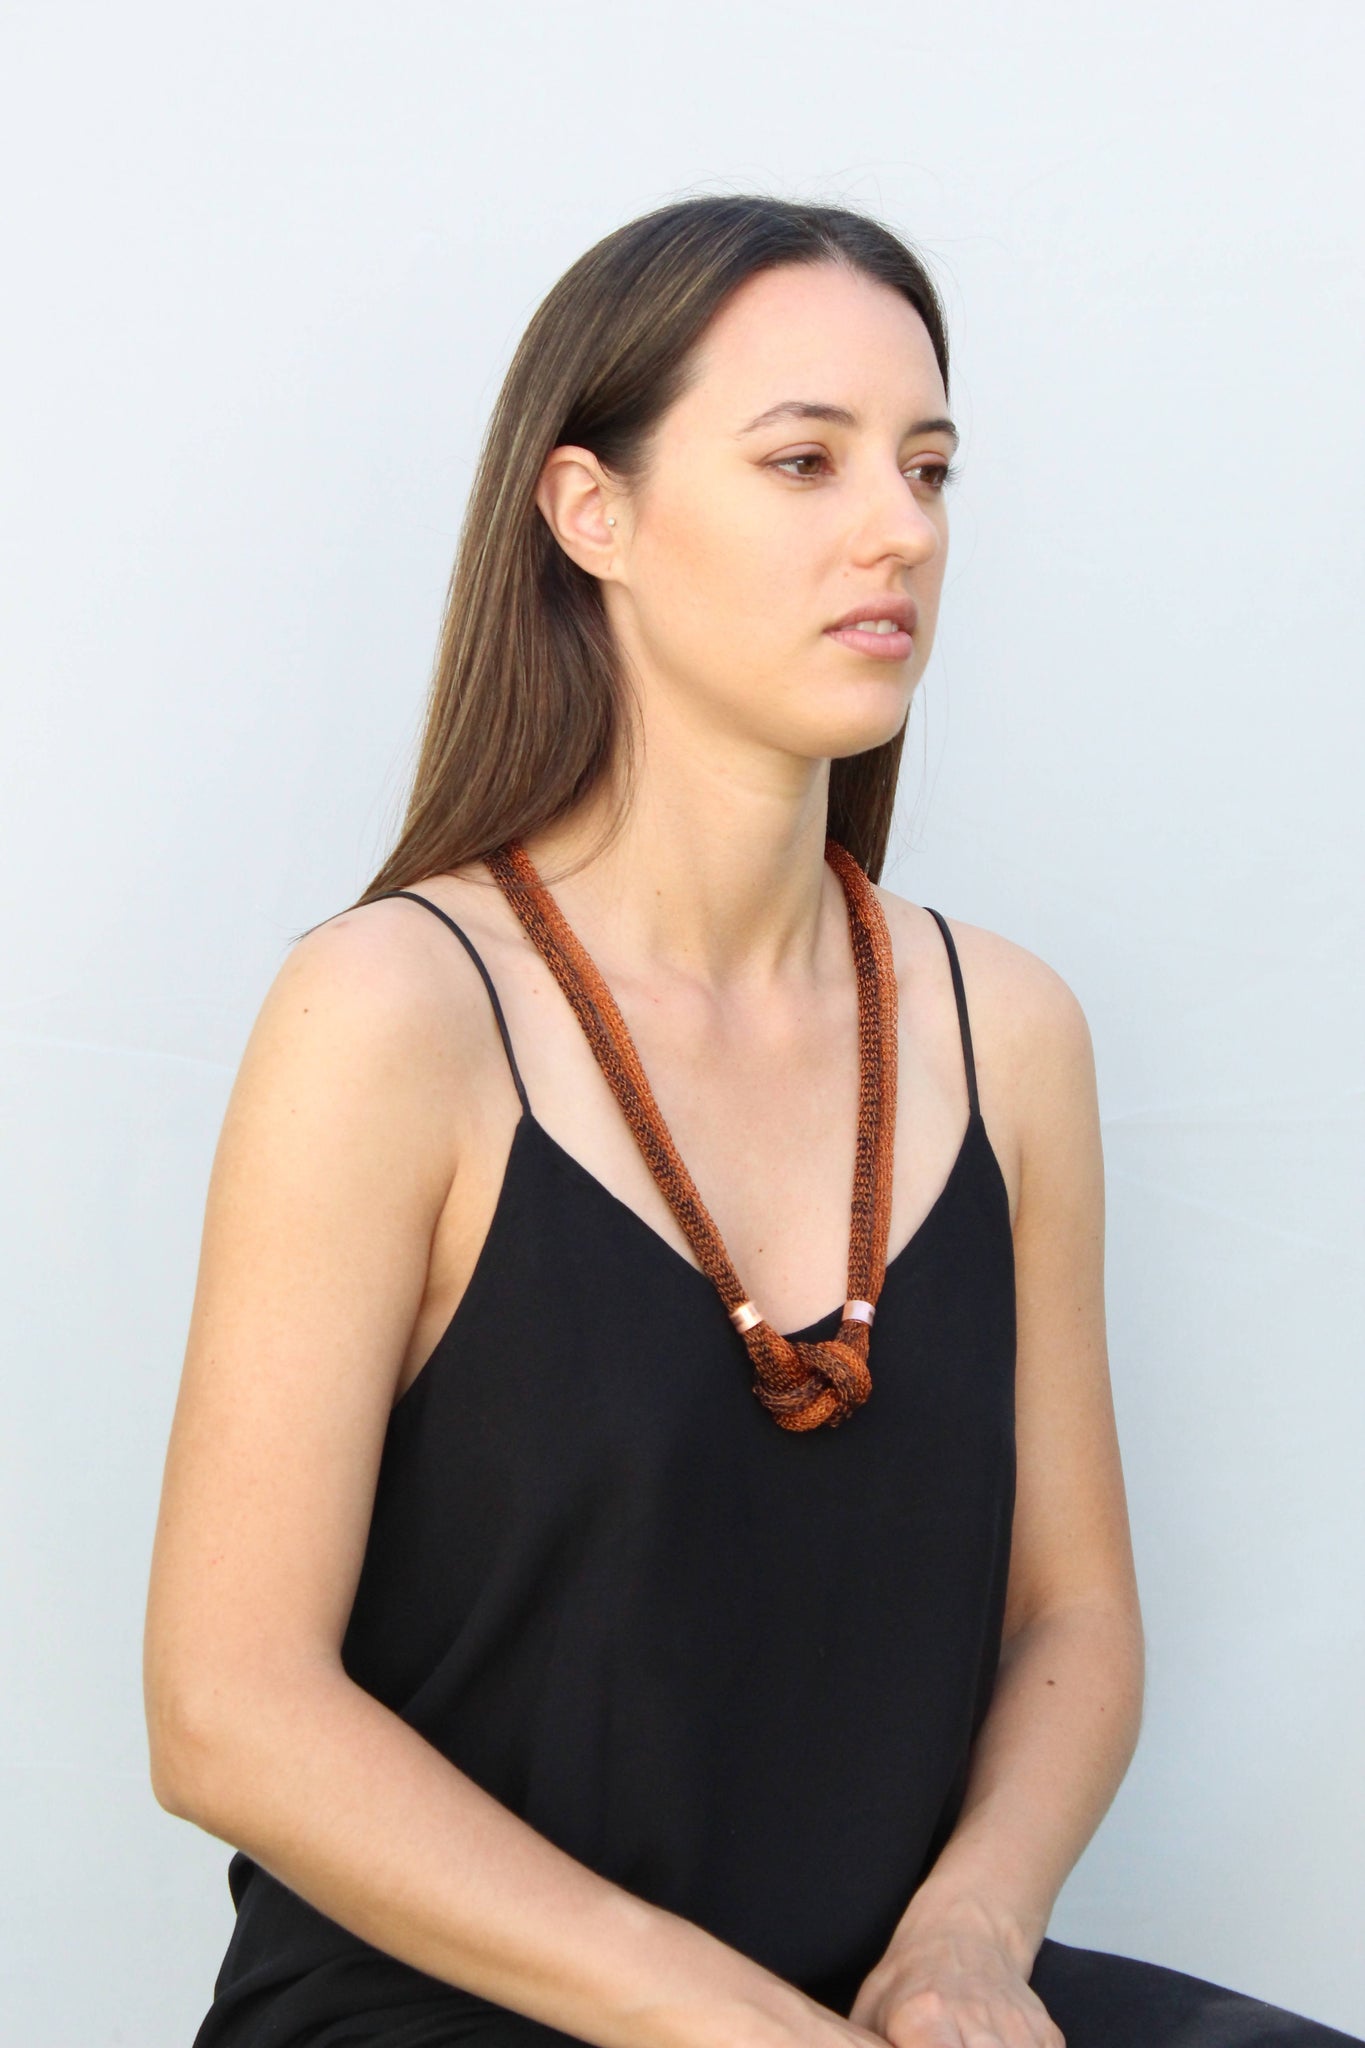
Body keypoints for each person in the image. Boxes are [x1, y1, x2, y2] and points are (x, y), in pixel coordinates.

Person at [143, 195, 1362, 2048]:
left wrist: (968, 1941)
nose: (901, 529)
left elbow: (1071, 1618)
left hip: (880, 2005)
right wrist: (738, 2028)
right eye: (805, 461)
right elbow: (226, 1710)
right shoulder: (391, 1015)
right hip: (457, 2013)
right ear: (591, 513)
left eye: (927, 468)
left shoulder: (1007, 1030)